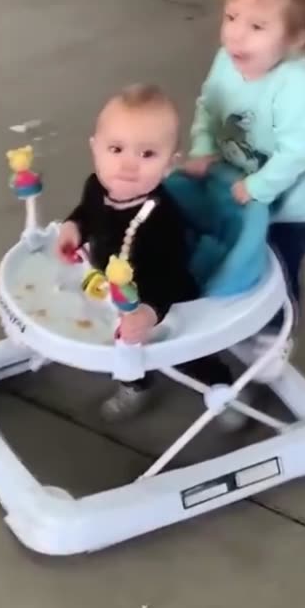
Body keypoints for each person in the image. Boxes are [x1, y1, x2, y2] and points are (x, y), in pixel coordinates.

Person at [56, 84, 243, 426]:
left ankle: (220, 385)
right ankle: (136, 384)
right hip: (111, 288)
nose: (128, 165)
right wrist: (74, 229)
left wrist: (148, 312)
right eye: (116, 149)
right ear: (94, 149)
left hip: (164, 297)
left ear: (170, 164)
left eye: (147, 155)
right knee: (120, 346)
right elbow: (87, 213)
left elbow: (169, 276)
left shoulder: (160, 216)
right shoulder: (96, 187)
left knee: (190, 353)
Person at [182, 0, 305, 332]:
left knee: (279, 268)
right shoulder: (227, 60)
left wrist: (259, 187)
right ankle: (228, 306)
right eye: (231, 16)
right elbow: (210, 105)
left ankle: (277, 329)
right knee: (235, 250)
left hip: (287, 206)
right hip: (235, 184)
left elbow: (298, 154)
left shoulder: (295, 91)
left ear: (296, 37)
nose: (235, 36)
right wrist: (202, 146)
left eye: (256, 27)